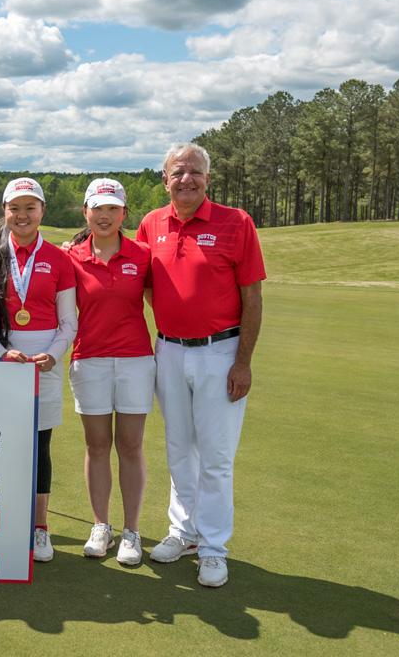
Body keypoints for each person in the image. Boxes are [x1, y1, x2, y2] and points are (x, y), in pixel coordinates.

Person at [136, 142, 265, 588]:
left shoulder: (236, 222)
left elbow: (253, 296)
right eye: (178, 172)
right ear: (165, 179)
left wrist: (242, 362)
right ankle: (183, 533)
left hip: (220, 351)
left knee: (215, 456)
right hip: (169, 350)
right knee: (178, 449)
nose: (186, 179)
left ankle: (213, 547)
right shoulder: (151, 223)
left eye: (195, 172)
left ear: (208, 179)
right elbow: (141, 279)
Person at [0, 177, 77, 563]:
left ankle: (39, 528)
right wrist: (0, 353)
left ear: (42, 211)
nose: (22, 215)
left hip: (42, 362)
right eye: (15, 208)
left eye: (30, 207)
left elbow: (69, 322)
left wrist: (52, 354)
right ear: (5, 211)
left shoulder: (61, 260)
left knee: (38, 448)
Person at [65, 179, 155, 566]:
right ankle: (101, 526)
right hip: (90, 359)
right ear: (86, 212)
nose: (104, 216)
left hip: (136, 359)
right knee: (97, 446)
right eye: (97, 208)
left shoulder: (145, 255)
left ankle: (131, 531)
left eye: (113, 209)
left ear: (123, 214)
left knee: (131, 446)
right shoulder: (70, 257)